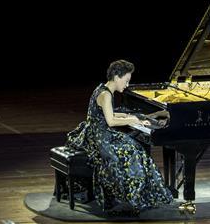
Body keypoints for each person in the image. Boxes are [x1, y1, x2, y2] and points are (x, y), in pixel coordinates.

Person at [66, 60, 174, 215]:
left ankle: (140, 194)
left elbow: (107, 114)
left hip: (98, 134)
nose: (127, 85)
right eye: (126, 81)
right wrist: (133, 120)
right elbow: (110, 121)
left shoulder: (102, 89)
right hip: (99, 139)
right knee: (133, 152)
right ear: (117, 77)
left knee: (135, 148)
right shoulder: (105, 94)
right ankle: (134, 197)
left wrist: (127, 115)